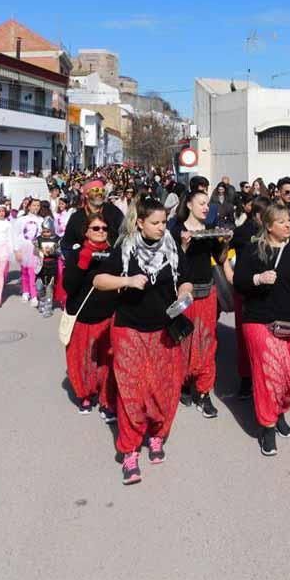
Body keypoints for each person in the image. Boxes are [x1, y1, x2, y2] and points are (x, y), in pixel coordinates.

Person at [92, 198, 194, 484]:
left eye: (164, 222)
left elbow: (185, 279)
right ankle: (130, 451)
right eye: (156, 223)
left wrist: (185, 295)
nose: (162, 228)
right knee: (131, 391)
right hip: (129, 329)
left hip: (164, 329)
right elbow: (99, 281)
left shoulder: (172, 245)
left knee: (163, 388)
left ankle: (157, 435)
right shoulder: (125, 247)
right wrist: (126, 281)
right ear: (140, 223)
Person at [233, 202, 290, 457]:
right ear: (269, 226)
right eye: (282, 222)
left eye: (289, 221)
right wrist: (257, 279)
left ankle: (280, 411)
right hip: (260, 320)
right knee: (269, 375)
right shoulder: (253, 250)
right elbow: (239, 281)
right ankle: (268, 427)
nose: (288, 225)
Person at [170, 189, 228, 416]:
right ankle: (183, 383)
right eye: (202, 204)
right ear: (190, 205)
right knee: (183, 340)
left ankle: (204, 392)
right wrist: (183, 246)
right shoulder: (175, 229)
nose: (206, 208)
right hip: (185, 295)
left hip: (207, 292)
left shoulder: (209, 230)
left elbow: (221, 259)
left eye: (208, 204)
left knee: (207, 341)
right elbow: (172, 264)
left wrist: (224, 243)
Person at [62, 213, 118, 416]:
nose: (101, 232)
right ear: (86, 231)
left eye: (104, 228)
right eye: (96, 228)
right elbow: (69, 286)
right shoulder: (77, 255)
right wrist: (82, 264)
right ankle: (85, 394)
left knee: (107, 361)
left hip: (107, 316)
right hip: (82, 317)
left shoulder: (114, 253)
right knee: (83, 359)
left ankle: (107, 400)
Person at [223, 195, 270, 398]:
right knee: (244, 338)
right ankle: (245, 379)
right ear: (258, 215)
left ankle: (266, 378)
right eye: (268, 216)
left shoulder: (273, 233)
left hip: (268, 291)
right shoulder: (242, 233)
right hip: (245, 291)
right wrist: (231, 278)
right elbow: (224, 254)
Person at [63, 178, 124, 250]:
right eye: (96, 190)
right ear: (86, 194)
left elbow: (125, 233)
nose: (100, 194)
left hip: (110, 257)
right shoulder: (77, 217)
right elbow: (67, 242)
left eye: (102, 191)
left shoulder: (113, 211)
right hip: (85, 257)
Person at [14, 197, 43, 305]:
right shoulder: (21, 220)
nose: (36, 207)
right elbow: (16, 235)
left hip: (34, 249)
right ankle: (26, 292)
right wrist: (16, 250)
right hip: (23, 248)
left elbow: (42, 235)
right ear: (29, 206)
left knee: (33, 272)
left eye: (38, 205)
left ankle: (34, 295)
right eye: (34, 205)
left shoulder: (41, 220)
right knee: (24, 271)